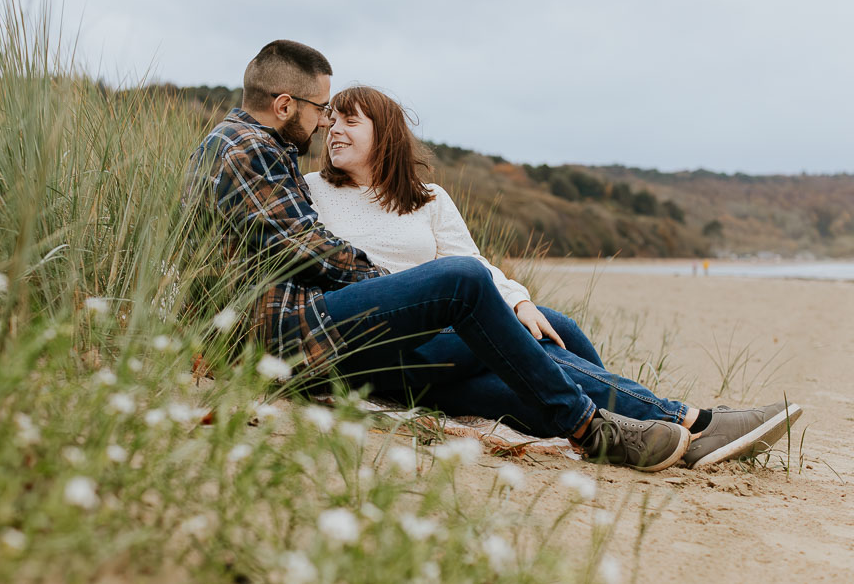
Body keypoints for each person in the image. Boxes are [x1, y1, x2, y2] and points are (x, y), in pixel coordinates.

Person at [187, 40, 797, 472]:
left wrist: (516, 297)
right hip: (318, 335)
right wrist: (405, 287)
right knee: (462, 283)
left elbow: (280, 241)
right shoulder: (254, 151)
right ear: (287, 103)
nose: (328, 128)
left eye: (346, 119)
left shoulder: (291, 161)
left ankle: (672, 435)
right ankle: (657, 421)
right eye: (325, 113)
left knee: (550, 334)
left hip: (351, 331)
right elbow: (301, 244)